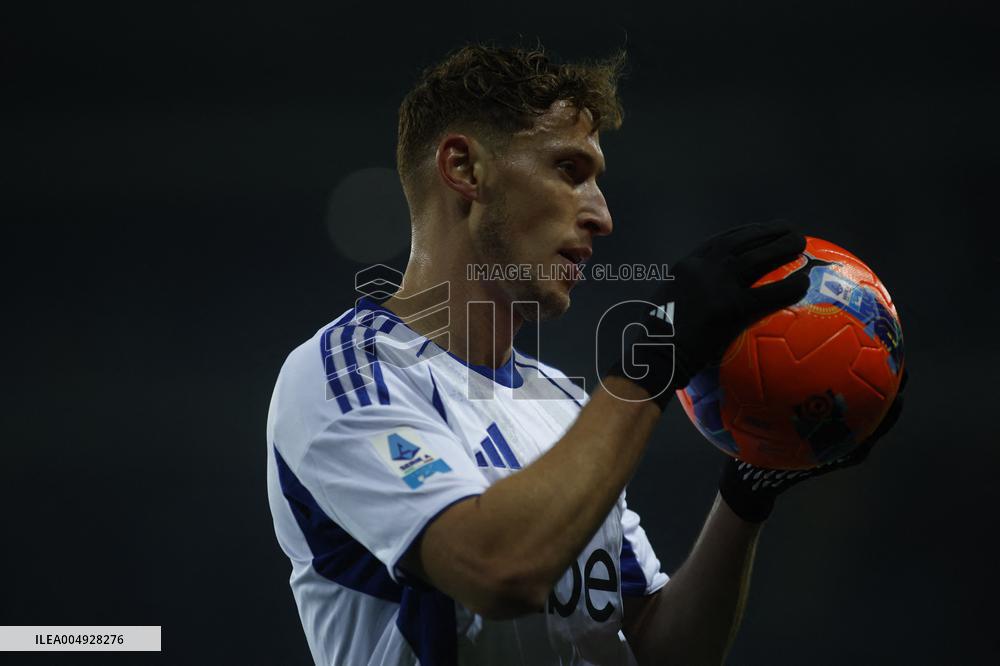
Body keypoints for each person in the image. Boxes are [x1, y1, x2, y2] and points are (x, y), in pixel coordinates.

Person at [266, 44, 905, 665]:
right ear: (464, 169)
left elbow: (655, 645)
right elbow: (498, 569)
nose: (602, 216)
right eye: (569, 171)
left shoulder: (565, 402)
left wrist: (748, 489)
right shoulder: (346, 374)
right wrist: (655, 360)